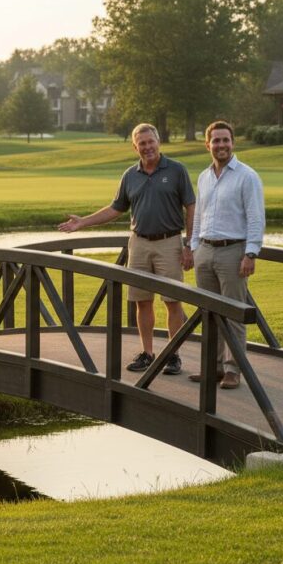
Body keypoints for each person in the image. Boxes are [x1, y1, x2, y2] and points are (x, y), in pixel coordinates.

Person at [58, 123, 195, 376]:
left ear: (158, 141)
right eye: (141, 143)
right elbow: (115, 209)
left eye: (150, 141)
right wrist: (83, 222)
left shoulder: (176, 170)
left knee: (173, 301)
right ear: (135, 147)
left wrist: (190, 244)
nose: (147, 147)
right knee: (142, 301)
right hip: (139, 243)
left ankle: (173, 355)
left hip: (169, 242)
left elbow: (191, 206)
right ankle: (148, 353)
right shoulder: (130, 175)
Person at [189, 120, 265, 389]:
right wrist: (194, 246)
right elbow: (199, 216)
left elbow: (256, 218)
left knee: (233, 314)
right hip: (205, 252)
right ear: (207, 144)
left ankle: (233, 370)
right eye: (216, 140)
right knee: (209, 313)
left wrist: (251, 253)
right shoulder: (204, 176)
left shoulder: (247, 176)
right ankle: (214, 368)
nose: (221, 145)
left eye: (226, 140)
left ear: (233, 143)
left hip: (233, 252)